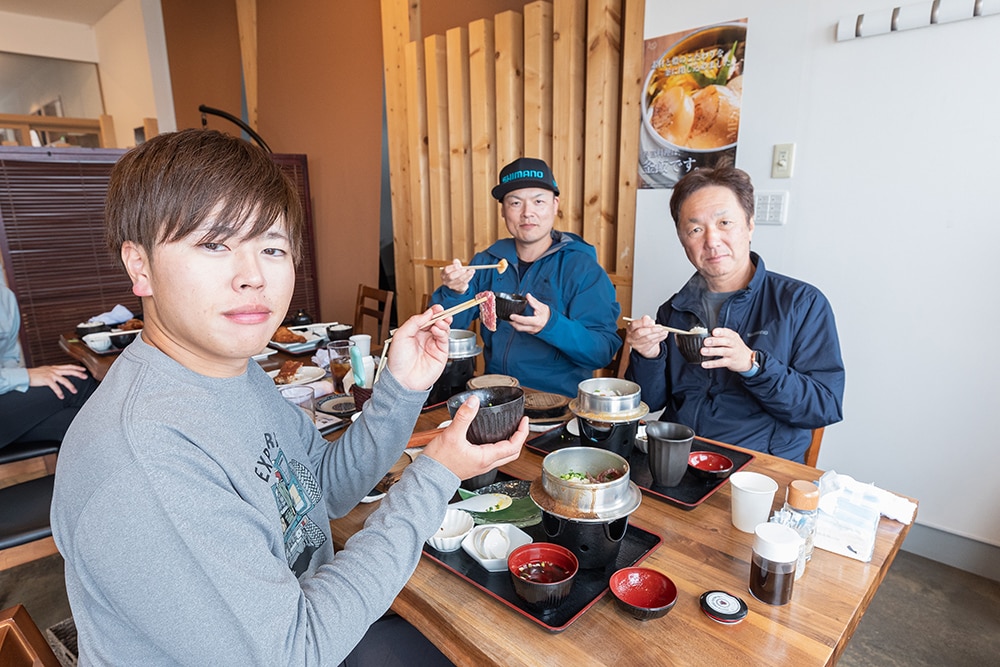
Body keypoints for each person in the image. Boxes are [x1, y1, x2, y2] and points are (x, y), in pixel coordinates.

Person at [50, 129, 527, 666]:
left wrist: (403, 389)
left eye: (272, 248)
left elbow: (320, 492)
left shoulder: (233, 373)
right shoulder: (144, 457)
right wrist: (435, 474)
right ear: (140, 266)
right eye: (213, 244)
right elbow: (295, 652)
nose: (253, 276)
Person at [625, 166, 844, 462]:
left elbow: (824, 406)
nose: (712, 240)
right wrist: (648, 357)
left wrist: (753, 365)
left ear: (750, 225)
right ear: (682, 239)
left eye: (725, 222)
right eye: (695, 229)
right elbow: (649, 402)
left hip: (757, 469)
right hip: (679, 460)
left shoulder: (801, 303)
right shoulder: (675, 309)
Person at [431, 157, 621, 397]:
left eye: (538, 201)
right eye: (515, 202)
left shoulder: (582, 269)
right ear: (503, 210)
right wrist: (454, 292)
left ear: (554, 205)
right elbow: (442, 330)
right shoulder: (487, 262)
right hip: (494, 394)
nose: (527, 213)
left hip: (556, 404)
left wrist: (551, 325)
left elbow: (601, 352)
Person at [1, 284, 98, 450]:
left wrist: (18, 383)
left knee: (77, 423)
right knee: (79, 383)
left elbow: (8, 357)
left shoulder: (4, 297)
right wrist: (27, 376)